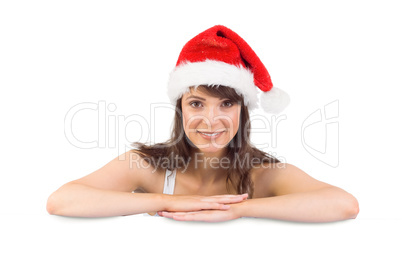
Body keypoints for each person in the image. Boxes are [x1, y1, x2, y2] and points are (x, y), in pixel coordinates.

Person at [46, 25, 359, 222]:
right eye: (197, 104)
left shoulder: (263, 174)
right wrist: (171, 202)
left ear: (242, 111)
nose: (212, 120)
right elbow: (61, 201)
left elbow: (344, 205)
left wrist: (235, 209)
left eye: (226, 103)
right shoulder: (146, 166)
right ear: (180, 110)